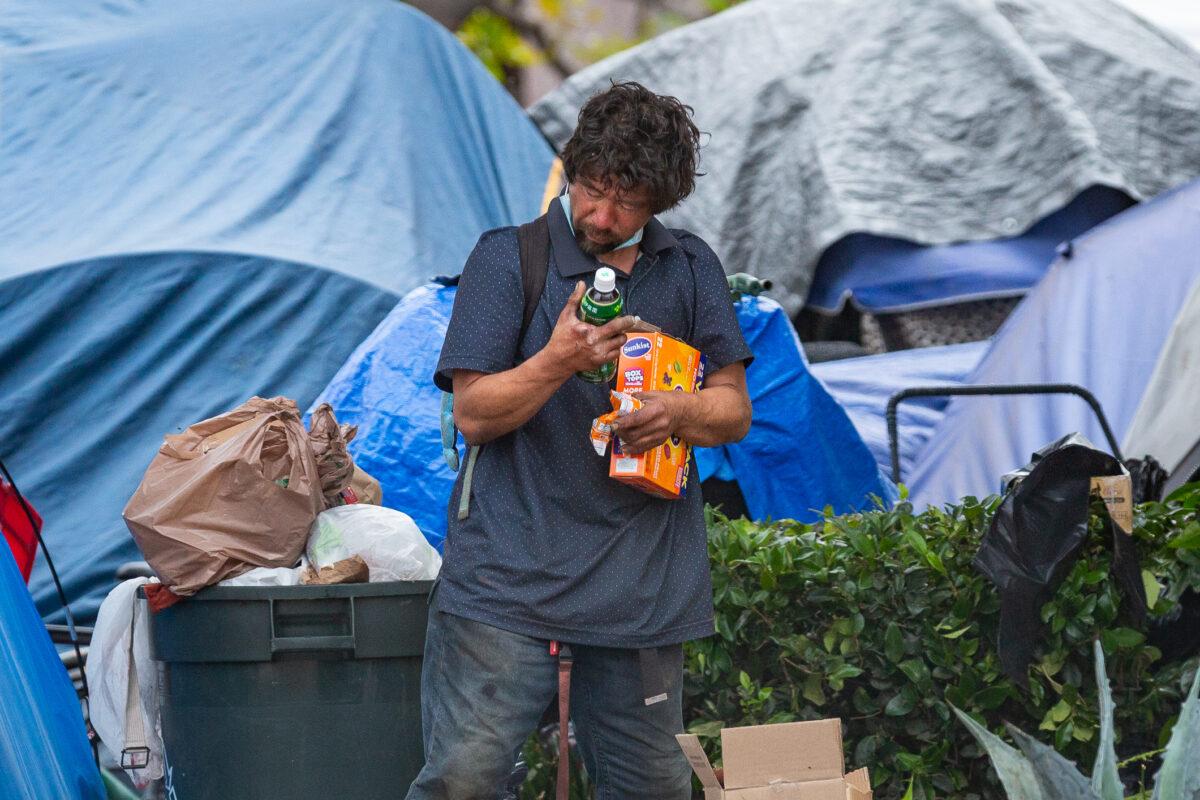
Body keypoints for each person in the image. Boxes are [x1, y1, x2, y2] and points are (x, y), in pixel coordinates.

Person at [408, 81, 753, 800]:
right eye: (592, 189)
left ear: (662, 199)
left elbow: (733, 410)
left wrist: (676, 411)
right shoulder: (509, 259)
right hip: (507, 578)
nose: (602, 215)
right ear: (571, 167)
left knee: (654, 788)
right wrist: (560, 358)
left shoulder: (691, 268)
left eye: (627, 202)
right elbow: (474, 414)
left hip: (642, 586)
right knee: (465, 782)